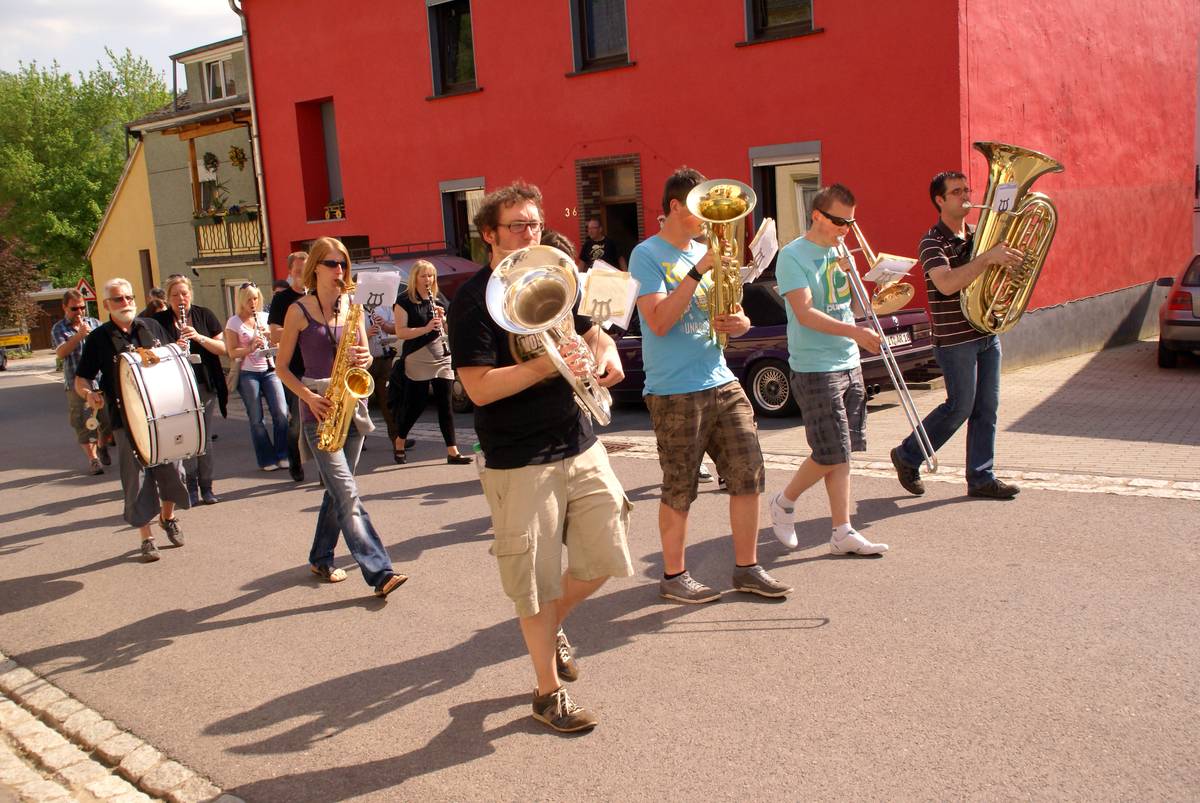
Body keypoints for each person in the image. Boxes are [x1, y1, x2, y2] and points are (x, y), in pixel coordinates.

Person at [448, 181, 632, 733]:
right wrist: (547, 365)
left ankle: (551, 626)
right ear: (489, 234)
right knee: (533, 580)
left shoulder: (560, 274)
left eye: (535, 223)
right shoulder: (470, 301)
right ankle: (547, 694)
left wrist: (608, 353)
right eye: (518, 226)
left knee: (606, 556)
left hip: (579, 440)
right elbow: (477, 388)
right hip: (517, 458)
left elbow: (596, 328)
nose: (532, 233)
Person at [630, 167, 791, 603]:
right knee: (680, 484)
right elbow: (659, 321)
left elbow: (732, 315)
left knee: (748, 472)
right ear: (675, 207)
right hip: (674, 388)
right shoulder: (647, 254)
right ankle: (673, 575)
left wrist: (740, 322)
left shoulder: (708, 250)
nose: (707, 221)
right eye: (700, 210)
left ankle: (747, 568)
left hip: (720, 378)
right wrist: (698, 271)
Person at [275, 236, 408, 599]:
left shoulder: (353, 307)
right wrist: (307, 397)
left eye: (344, 265)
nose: (340, 271)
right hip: (318, 407)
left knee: (338, 493)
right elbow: (282, 367)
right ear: (314, 267)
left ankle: (320, 556)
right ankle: (379, 571)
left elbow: (364, 353)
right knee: (347, 492)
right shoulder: (297, 311)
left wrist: (365, 360)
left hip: (352, 405)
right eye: (332, 264)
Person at [766, 184, 890, 555]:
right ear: (817, 214)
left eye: (851, 222)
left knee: (843, 451)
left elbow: (847, 304)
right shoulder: (793, 255)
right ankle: (784, 502)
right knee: (829, 451)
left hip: (848, 359)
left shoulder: (838, 250)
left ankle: (842, 531)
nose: (846, 229)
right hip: (815, 365)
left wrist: (865, 278)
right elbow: (804, 313)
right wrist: (853, 331)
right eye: (839, 221)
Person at [888, 171, 1024, 500]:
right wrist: (987, 258)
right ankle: (907, 455)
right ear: (939, 200)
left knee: (986, 409)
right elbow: (946, 283)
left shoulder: (978, 236)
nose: (966, 195)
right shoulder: (932, 241)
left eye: (967, 189)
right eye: (956, 191)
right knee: (959, 406)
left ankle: (981, 477)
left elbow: (989, 275)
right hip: (954, 339)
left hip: (986, 332)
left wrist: (1010, 265)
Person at [74, 278, 189, 562]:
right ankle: (146, 538)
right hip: (125, 419)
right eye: (118, 299)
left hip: (162, 416)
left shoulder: (151, 327)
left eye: (128, 297)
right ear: (106, 305)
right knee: (136, 480)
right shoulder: (99, 338)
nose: (125, 303)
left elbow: (172, 362)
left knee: (174, 472)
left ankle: (167, 517)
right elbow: (81, 378)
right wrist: (89, 394)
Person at [154, 275, 227, 506]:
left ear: (190, 294)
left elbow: (223, 348)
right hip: (176, 387)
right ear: (168, 298)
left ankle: (207, 487)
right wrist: (174, 347)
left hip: (204, 384)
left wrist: (199, 337)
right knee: (186, 438)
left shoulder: (204, 314)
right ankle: (190, 486)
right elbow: (151, 354)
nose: (180, 299)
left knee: (204, 438)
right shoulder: (158, 322)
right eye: (175, 295)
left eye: (184, 294)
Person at [392, 260, 470, 465]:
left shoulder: (434, 299)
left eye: (431, 276)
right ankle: (400, 439)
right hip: (417, 356)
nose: (428, 280)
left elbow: (443, 328)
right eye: (423, 276)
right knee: (415, 405)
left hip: (441, 355)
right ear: (414, 278)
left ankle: (452, 451)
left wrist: (442, 320)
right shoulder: (403, 301)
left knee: (445, 405)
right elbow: (401, 332)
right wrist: (426, 328)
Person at [224, 282, 289, 471]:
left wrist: (269, 338)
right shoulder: (234, 322)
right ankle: (266, 459)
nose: (253, 303)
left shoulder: (264, 317)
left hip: (269, 369)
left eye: (255, 298)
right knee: (256, 418)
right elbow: (232, 352)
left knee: (281, 413)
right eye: (249, 299)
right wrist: (250, 346)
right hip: (248, 373)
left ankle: (283, 454)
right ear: (241, 301)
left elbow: (278, 341)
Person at [52, 289, 112, 475]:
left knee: (108, 420)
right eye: (74, 308)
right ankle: (93, 459)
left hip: (99, 382)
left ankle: (102, 445)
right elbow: (61, 353)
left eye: (82, 308)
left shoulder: (95, 323)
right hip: (75, 383)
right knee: (83, 423)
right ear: (64, 307)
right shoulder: (59, 328)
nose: (79, 312)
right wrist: (79, 336)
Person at [268, 251, 309, 482]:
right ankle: (295, 461)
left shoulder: (316, 296)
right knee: (297, 423)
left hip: (319, 366)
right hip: (294, 367)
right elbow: (274, 334)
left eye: (307, 270)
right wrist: (302, 329)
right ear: (290, 273)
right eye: (298, 271)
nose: (303, 275)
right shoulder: (282, 299)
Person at [362, 281, 400, 457]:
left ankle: (397, 439)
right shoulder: (355, 309)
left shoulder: (384, 306)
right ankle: (358, 439)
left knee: (388, 401)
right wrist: (366, 333)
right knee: (361, 403)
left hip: (384, 358)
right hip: (365, 362)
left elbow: (395, 329)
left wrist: (384, 326)